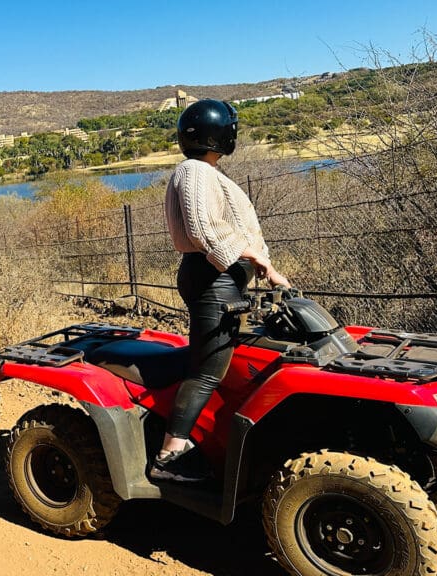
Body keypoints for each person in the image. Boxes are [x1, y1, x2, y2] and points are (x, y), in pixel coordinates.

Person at [151, 99, 290, 483]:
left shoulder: (206, 171)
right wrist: (260, 261)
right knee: (207, 371)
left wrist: (257, 262)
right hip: (213, 280)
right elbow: (203, 230)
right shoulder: (195, 171)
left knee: (225, 359)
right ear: (219, 133)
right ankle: (169, 454)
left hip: (219, 279)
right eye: (230, 127)